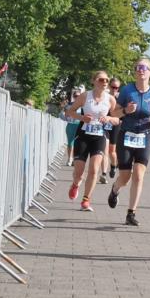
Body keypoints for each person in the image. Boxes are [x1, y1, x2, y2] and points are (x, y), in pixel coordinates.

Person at [107, 59, 150, 225]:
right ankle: (115, 190)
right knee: (125, 177)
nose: (141, 70)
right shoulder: (127, 90)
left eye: (145, 67)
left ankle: (131, 213)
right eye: (138, 67)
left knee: (138, 175)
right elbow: (114, 113)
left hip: (144, 137)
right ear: (135, 71)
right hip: (126, 136)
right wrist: (125, 110)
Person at [64, 71, 118, 211]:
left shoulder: (110, 99)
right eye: (101, 80)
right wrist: (82, 118)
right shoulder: (85, 96)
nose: (105, 82)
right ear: (93, 81)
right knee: (79, 172)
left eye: (107, 80)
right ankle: (76, 184)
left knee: (94, 170)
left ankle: (86, 200)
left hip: (99, 136)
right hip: (83, 135)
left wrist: (109, 119)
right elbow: (70, 112)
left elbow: (118, 119)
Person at [100, 77, 123, 184]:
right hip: (104, 125)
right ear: (109, 86)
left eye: (117, 88)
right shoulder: (105, 97)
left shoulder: (121, 99)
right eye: (113, 87)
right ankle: (103, 174)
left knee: (112, 151)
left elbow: (122, 116)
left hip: (115, 126)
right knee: (105, 150)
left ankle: (113, 165)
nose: (114, 89)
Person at [63, 85, 85, 166]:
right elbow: (65, 116)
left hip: (80, 125)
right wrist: (67, 113)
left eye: (78, 96)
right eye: (75, 96)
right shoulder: (69, 105)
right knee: (70, 143)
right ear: (73, 96)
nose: (77, 97)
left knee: (78, 143)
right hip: (71, 125)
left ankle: (75, 159)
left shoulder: (83, 106)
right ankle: (69, 158)